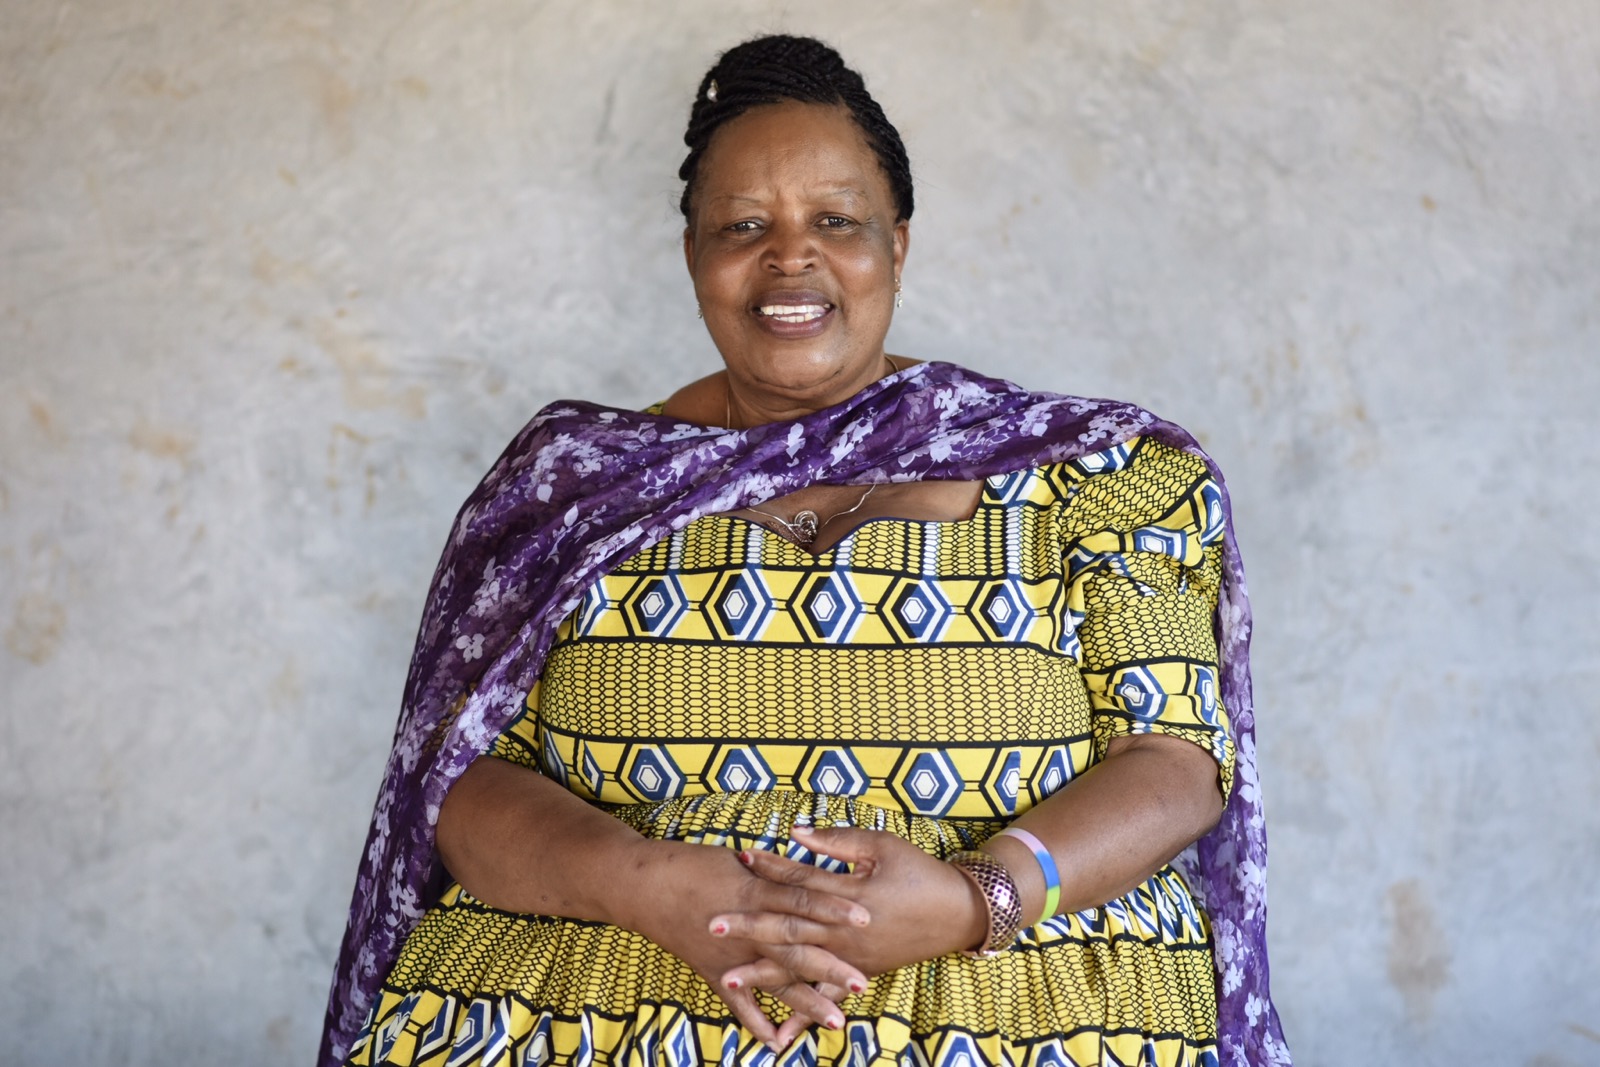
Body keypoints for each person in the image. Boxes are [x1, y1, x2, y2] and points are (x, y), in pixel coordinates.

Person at [321, 34, 1291, 1067]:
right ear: (693, 255)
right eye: (744, 225)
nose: (791, 256)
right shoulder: (574, 494)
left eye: (836, 220)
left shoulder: (1094, 478)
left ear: (896, 247)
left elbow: (1176, 762)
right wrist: (647, 884)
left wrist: (979, 895)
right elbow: (462, 783)